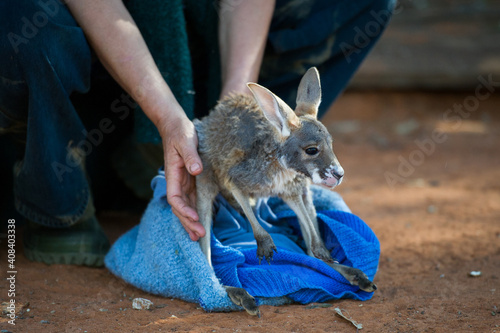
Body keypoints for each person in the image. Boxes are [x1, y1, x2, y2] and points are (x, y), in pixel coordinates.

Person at [0, 0, 395, 266]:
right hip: (95, 81)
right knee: (28, 28)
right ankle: (60, 199)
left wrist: (238, 102)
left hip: (205, 68)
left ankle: (181, 163)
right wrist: (167, 118)